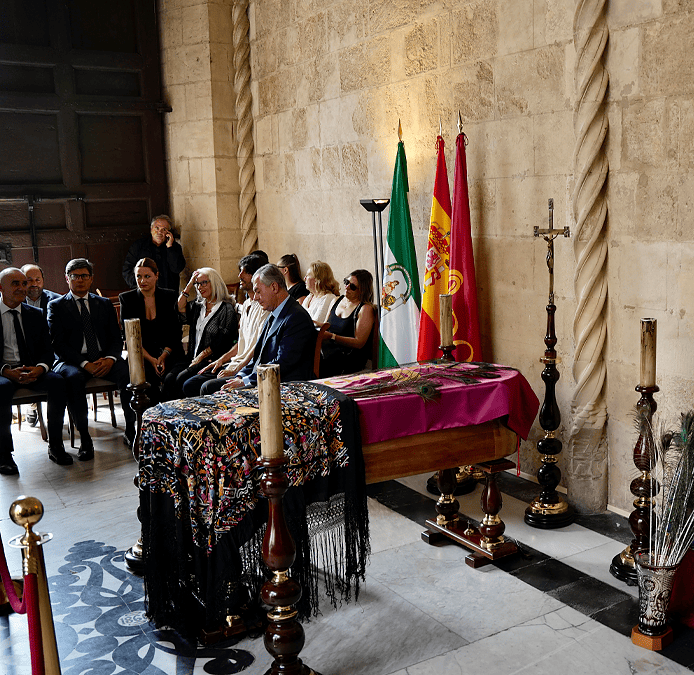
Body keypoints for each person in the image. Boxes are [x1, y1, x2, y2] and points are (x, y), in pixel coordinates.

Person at [48, 258, 136, 458]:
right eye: (75, 276)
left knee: (128, 372)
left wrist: (111, 359)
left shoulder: (103, 304)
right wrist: (84, 363)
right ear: (67, 279)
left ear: (91, 279)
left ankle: (131, 430)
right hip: (72, 361)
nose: (80, 280)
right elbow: (58, 344)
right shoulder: (57, 306)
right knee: (73, 379)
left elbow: (116, 337)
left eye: (84, 276)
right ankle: (85, 439)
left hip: (104, 358)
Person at [201, 264, 315, 395]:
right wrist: (241, 376)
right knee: (207, 387)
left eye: (258, 291)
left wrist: (246, 381)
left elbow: (282, 364)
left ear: (274, 287)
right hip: (262, 379)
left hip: (282, 386)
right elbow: (258, 357)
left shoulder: (296, 317)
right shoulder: (274, 313)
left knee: (211, 390)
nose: (254, 297)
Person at [0, 268, 71, 474]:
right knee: (1, 390)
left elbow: (48, 351)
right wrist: (6, 371)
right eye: (16, 284)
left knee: (58, 382)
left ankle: (56, 445)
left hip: (32, 369)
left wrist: (40, 368)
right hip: (4, 373)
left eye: (24, 283)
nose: (23, 288)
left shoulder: (36, 314)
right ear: (1, 288)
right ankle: (4, 454)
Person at [184, 254, 269, 395]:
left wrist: (237, 369)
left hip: (246, 367)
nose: (239, 275)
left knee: (197, 385)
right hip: (234, 362)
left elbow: (257, 347)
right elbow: (242, 342)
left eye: (246, 272)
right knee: (187, 382)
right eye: (240, 270)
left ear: (258, 276)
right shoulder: (248, 303)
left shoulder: (264, 307)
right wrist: (220, 360)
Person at [162, 267, 238, 399]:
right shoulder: (198, 306)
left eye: (204, 283)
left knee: (181, 379)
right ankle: (167, 415)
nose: (199, 287)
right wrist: (189, 284)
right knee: (169, 378)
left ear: (214, 283)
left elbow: (222, 341)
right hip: (192, 357)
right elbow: (179, 307)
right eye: (198, 283)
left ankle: (183, 414)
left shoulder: (226, 308)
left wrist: (200, 357)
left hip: (211, 360)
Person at [119, 258, 183, 406]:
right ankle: (152, 421)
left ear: (157, 275)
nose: (142, 281)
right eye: (138, 277)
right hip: (142, 354)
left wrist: (163, 356)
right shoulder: (127, 299)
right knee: (148, 380)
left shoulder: (170, 296)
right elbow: (129, 337)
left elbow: (175, 332)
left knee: (172, 379)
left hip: (170, 351)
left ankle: (171, 419)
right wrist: (152, 359)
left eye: (147, 276)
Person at [321, 269, 376, 377]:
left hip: (348, 357)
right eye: (346, 282)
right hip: (329, 349)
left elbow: (359, 343)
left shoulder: (365, 309)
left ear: (362, 290)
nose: (346, 287)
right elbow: (326, 325)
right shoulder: (336, 300)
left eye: (353, 287)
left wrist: (332, 337)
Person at [122, 215, 186, 293]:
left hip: (167, 294)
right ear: (151, 229)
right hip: (143, 294)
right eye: (157, 228)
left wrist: (170, 248)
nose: (160, 232)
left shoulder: (175, 247)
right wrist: (140, 284)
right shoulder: (138, 246)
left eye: (164, 229)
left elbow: (177, 269)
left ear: (168, 233)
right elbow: (127, 270)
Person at [301, 261, 340, 325]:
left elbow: (317, 324)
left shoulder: (328, 298)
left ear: (317, 279)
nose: (304, 278)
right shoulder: (309, 297)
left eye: (307, 275)